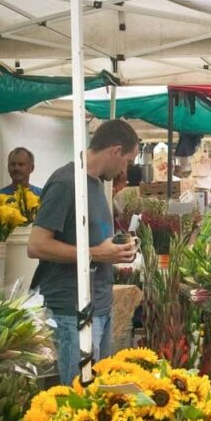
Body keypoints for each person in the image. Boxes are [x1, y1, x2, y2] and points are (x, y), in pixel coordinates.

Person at [27, 119, 140, 385]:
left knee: (95, 398)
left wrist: (118, 248)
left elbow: (95, 242)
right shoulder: (66, 182)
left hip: (99, 305)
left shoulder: (96, 184)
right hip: (71, 309)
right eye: (128, 160)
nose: (126, 169)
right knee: (77, 399)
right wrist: (98, 253)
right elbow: (36, 245)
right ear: (115, 150)